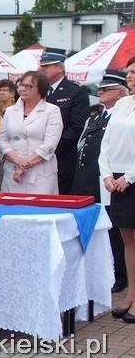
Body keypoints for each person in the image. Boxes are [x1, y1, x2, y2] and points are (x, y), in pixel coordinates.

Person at [72, 70, 129, 293]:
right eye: (100, 88)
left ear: (120, 92)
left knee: (113, 231)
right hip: (87, 180)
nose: (101, 91)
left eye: (107, 89)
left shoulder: (122, 118)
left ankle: (119, 275)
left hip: (108, 181)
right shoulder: (95, 116)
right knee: (91, 228)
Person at [101, 58, 135, 322]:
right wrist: (107, 174)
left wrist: (130, 177)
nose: (130, 76)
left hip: (132, 177)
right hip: (117, 178)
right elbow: (107, 143)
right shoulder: (123, 103)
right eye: (129, 72)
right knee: (127, 239)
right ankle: (131, 293)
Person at [0, 71, 63, 194]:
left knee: (39, 205)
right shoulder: (9, 111)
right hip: (12, 172)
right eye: (21, 85)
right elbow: (1, 140)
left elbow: (50, 144)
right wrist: (18, 161)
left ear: (41, 89)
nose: (23, 89)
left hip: (40, 174)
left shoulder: (52, 111)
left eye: (29, 86)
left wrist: (24, 165)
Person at [39, 47, 90, 194]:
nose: (42, 69)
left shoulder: (76, 91)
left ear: (60, 68)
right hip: (37, 158)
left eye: (46, 66)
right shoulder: (40, 91)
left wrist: (50, 149)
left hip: (62, 158)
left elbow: (76, 127)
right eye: (42, 66)